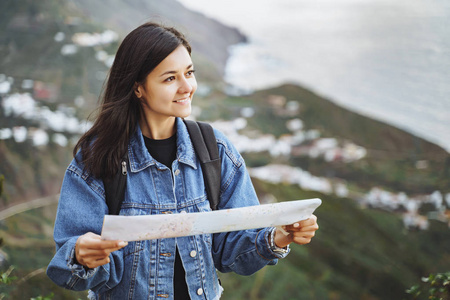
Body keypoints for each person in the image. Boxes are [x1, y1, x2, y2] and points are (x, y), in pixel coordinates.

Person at [46, 22, 319, 300]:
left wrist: (280, 236)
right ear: (138, 88)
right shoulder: (99, 159)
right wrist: (81, 255)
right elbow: (76, 268)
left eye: (189, 73)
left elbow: (230, 251)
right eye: (170, 78)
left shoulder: (216, 150)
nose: (187, 87)